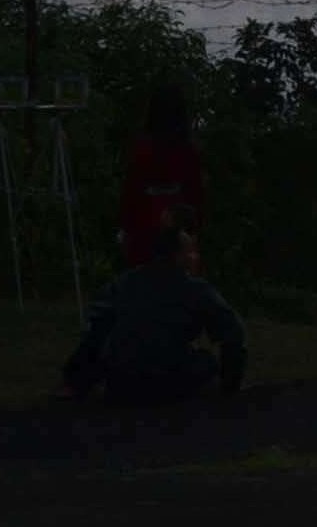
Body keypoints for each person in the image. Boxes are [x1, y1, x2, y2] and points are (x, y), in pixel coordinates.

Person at [57, 226, 246, 406]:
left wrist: (78, 380)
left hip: (122, 383)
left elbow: (96, 329)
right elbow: (234, 333)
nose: (196, 257)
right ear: (179, 256)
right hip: (170, 378)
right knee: (207, 363)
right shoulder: (196, 289)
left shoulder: (124, 283)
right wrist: (230, 385)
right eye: (191, 252)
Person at [119, 84, 208, 266]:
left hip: (145, 217)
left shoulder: (143, 146)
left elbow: (131, 187)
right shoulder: (187, 148)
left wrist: (125, 225)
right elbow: (195, 190)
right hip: (178, 216)